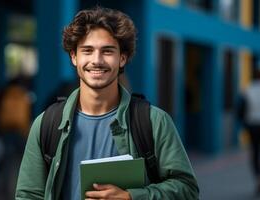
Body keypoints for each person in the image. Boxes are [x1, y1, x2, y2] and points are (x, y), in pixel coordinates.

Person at [16, 6, 199, 200]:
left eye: (107, 51)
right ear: (74, 57)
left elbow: (188, 190)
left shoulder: (154, 122)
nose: (97, 60)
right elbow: (28, 195)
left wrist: (132, 197)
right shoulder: (46, 124)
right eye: (87, 50)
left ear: (122, 58)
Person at [239, 68, 260, 194]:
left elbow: (241, 108)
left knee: (255, 152)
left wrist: (244, 123)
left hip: (253, 125)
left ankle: (258, 178)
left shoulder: (248, 89)